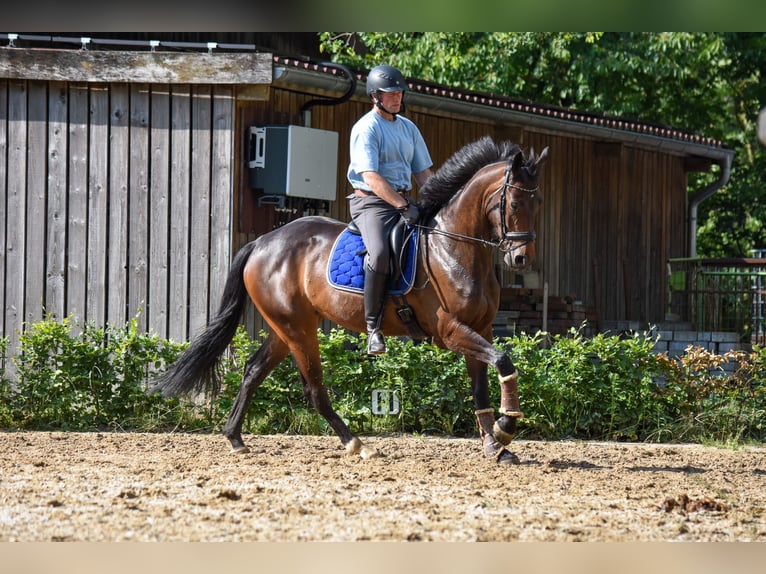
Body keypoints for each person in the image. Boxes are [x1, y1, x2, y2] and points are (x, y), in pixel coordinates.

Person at [347, 64, 434, 355]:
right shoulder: (366, 128)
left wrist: (436, 201)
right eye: (390, 93)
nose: (397, 98)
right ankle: (373, 328)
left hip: (403, 201)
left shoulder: (409, 128)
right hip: (371, 202)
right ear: (375, 96)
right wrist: (401, 205)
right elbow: (370, 176)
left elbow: (423, 173)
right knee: (381, 253)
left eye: (399, 93)